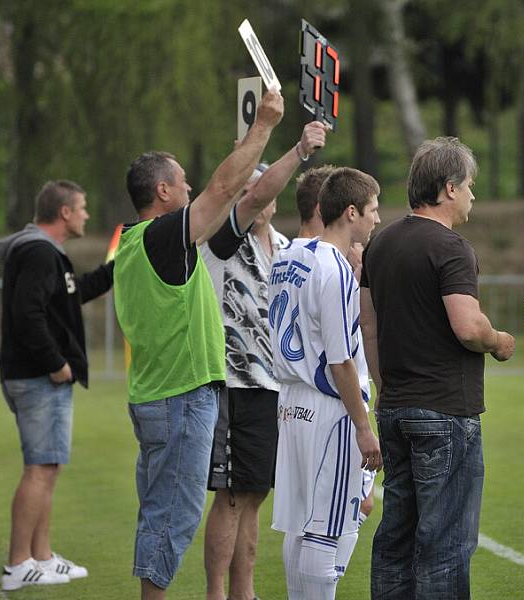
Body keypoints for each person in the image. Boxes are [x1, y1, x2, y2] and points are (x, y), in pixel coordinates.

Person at [113, 90, 284, 600]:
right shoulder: (162, 236)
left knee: (160, 512)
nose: (191, 186)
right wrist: (264, 128)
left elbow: (231, 192)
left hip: (155, 394)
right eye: (183, 179)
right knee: (175, 516)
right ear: (163, 191)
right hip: (181, 396)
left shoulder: (130, 240)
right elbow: (227, 186)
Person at [361, 137, 515, 600]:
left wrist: (386, 386)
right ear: (448, 188)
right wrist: (498, 341)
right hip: (446, 411)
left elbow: (368, 326)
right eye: (469, 186)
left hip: (395, 407)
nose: (473, 196)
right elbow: (468, 326)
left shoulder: (379, 243)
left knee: (396, 539)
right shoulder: (451, 247)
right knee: (445, 544)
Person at [200, 121, 328, 600]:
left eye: (263, 184)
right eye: (250, 188)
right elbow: (246, 200)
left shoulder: (287, 249)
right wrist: (297, 149)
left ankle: (245, 592)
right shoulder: (221, 239)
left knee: (254, 497)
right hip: (234, 382)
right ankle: (218, 594)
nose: (258, 194)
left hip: (274, 388)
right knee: (231, 498)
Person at [269, 167, 383, 600]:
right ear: (350, 212)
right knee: (326, 526)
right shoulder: (332, 268)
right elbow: (340, 361)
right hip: (329, 410)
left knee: (301, 522)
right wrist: (363, 425)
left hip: (291, 402)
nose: (376, 219)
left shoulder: (287, 258)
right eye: (372, 210)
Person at [0, 180, 113, 591]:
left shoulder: (45, 254)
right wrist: (56, 363)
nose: (86, 215)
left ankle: (40, 558)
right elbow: (28, 314)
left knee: (48, 466)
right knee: (39, 468)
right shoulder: (40, 252)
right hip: (37, 377)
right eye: (81, 208)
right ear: (64, 212)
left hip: (32, 377)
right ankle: (17, 564)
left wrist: (114, 271)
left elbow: (68, 295)